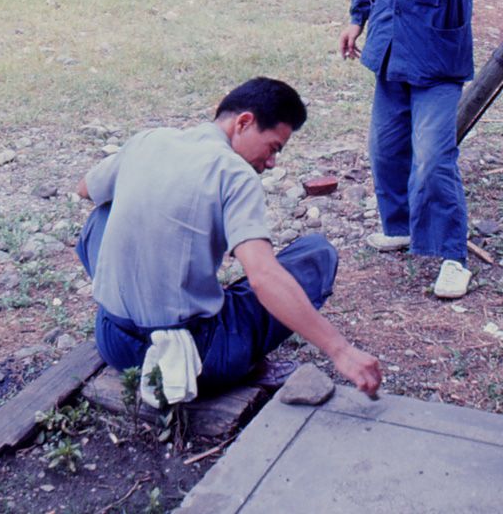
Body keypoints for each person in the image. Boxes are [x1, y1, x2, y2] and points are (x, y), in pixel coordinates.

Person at [75, 77, 382, 398]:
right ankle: (236, 361)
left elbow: (85, 189)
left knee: (102, 216)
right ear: (244, 122)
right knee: (316, 254)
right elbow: (263, 277)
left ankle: (138, 306)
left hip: (113, 341)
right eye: (274, 147)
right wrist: (341, 350)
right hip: (198, 356)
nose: (272, 161)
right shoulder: (235, 174)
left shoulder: (148, 141)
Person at [339, 0, 490, 299]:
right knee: (385, 149)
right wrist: (356, 18)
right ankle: (400, 224)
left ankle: (452, 256)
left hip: (438, 61)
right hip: (390, 51)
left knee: (433, 160)